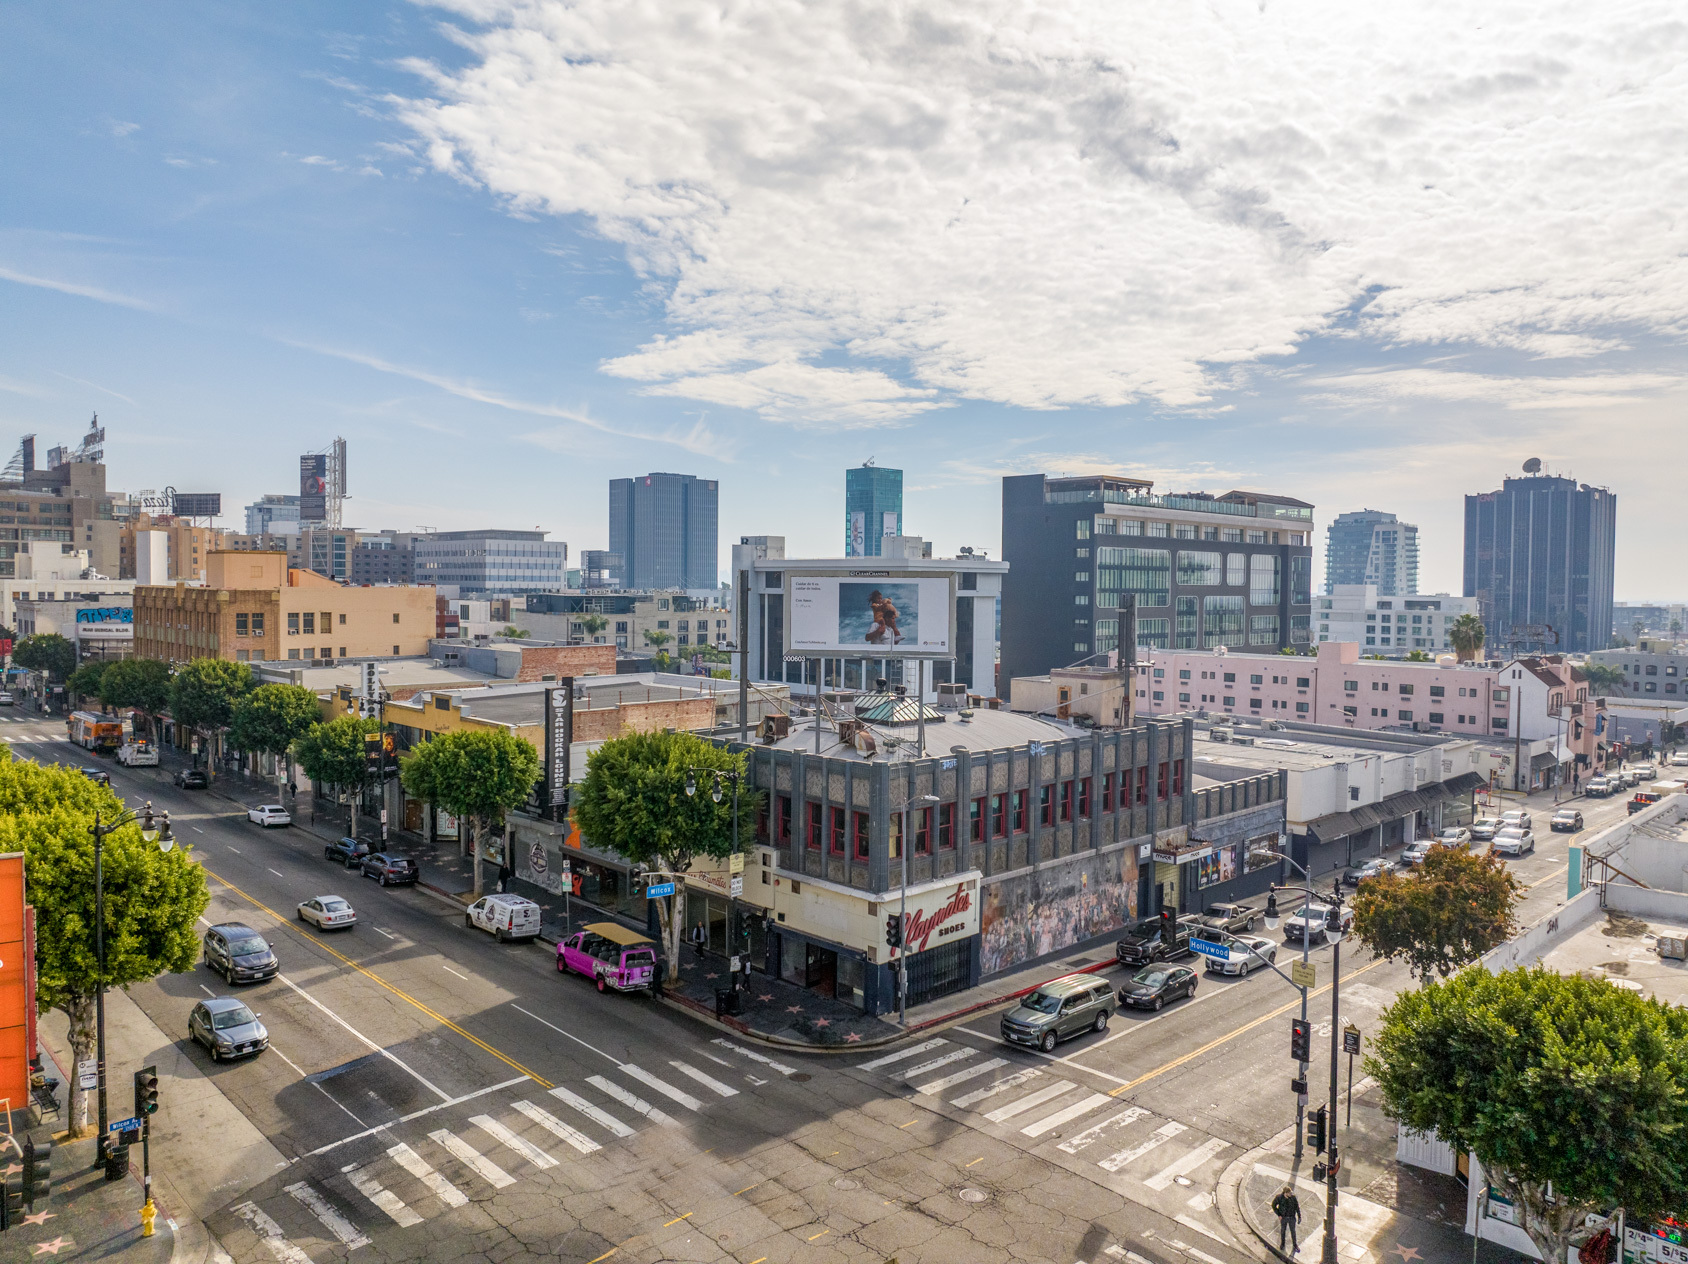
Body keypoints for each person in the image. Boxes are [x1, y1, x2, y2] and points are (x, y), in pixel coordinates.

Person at [1272, 1184, 1301, 1255]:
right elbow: (1273, 1205)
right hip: (1284, 1217)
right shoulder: (1279, 1198)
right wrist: (1279, 1214)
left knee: (1293, 1232)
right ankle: (1282, 1244)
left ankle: (1295, 1245)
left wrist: (1299, 1216)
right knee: (1283, 1231)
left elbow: (1297, 1207)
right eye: (1289, 1193)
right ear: (1285, 1193)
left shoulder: (1293, 1198)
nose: (1291, 1194)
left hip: (1291, 1217)